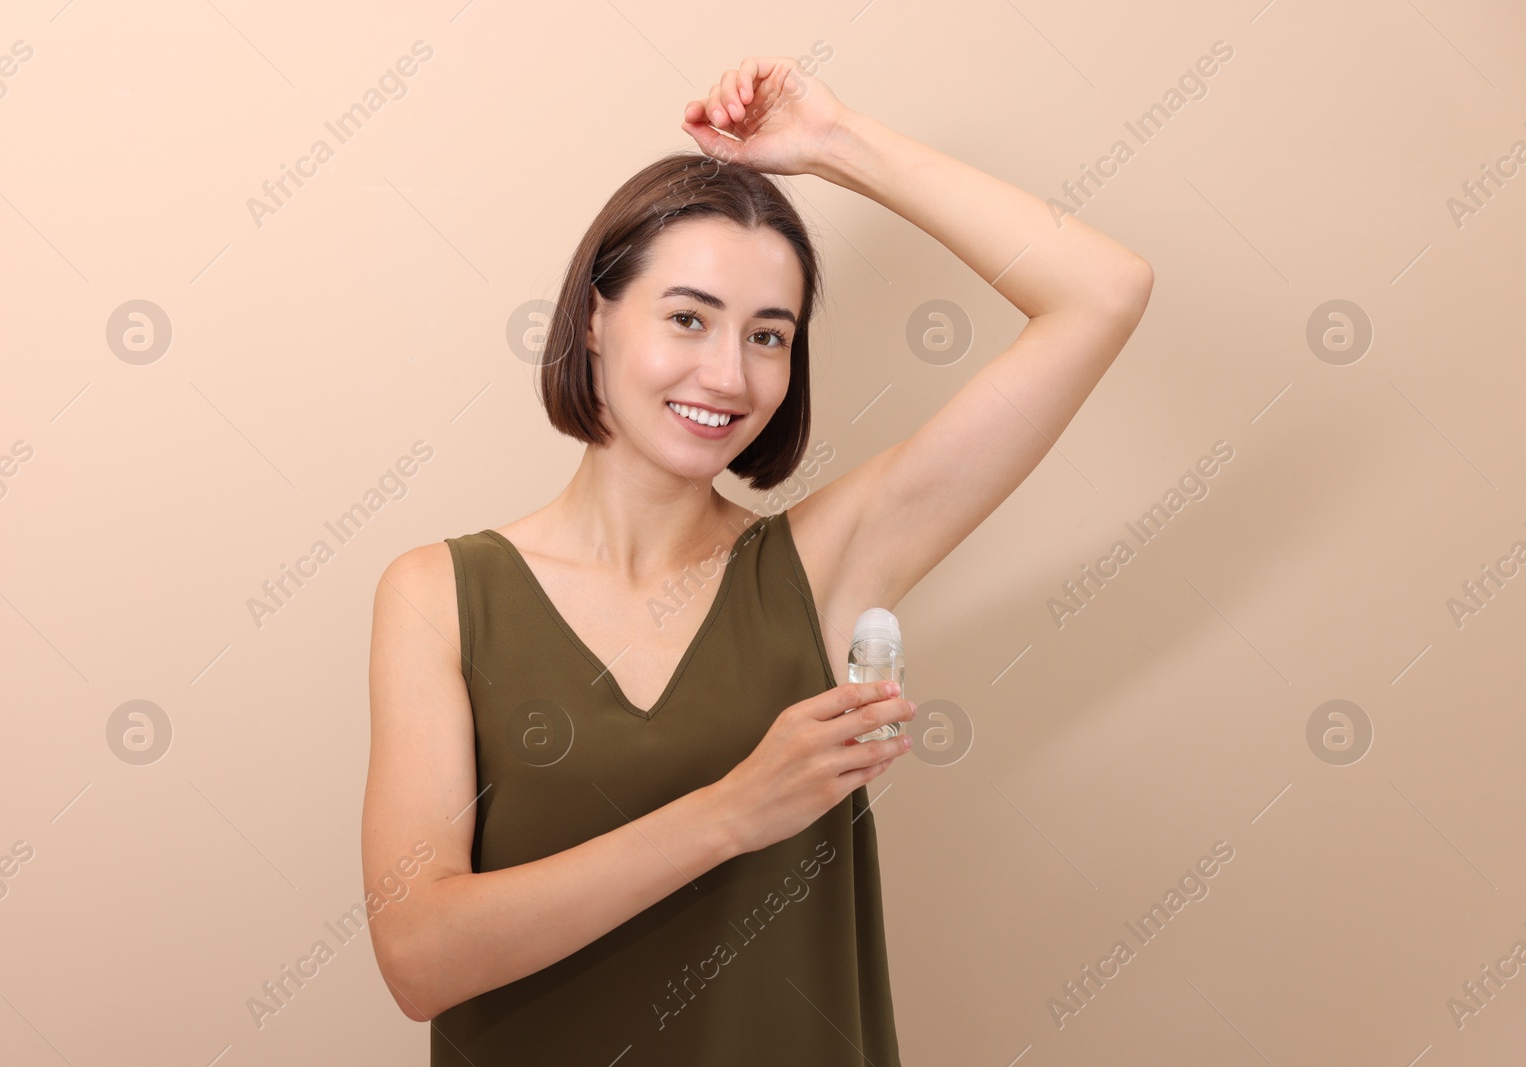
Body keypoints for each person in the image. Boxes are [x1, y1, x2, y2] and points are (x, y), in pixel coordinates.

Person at [362, 55, 1151, 1064]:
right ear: (596, 319)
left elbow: (1102, 291)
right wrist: (732, 813)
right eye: (687, 317)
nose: (729, 375)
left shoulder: (819, 566)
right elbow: (418, 952)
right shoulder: (439, 595)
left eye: (768, 335)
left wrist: (836, 145)